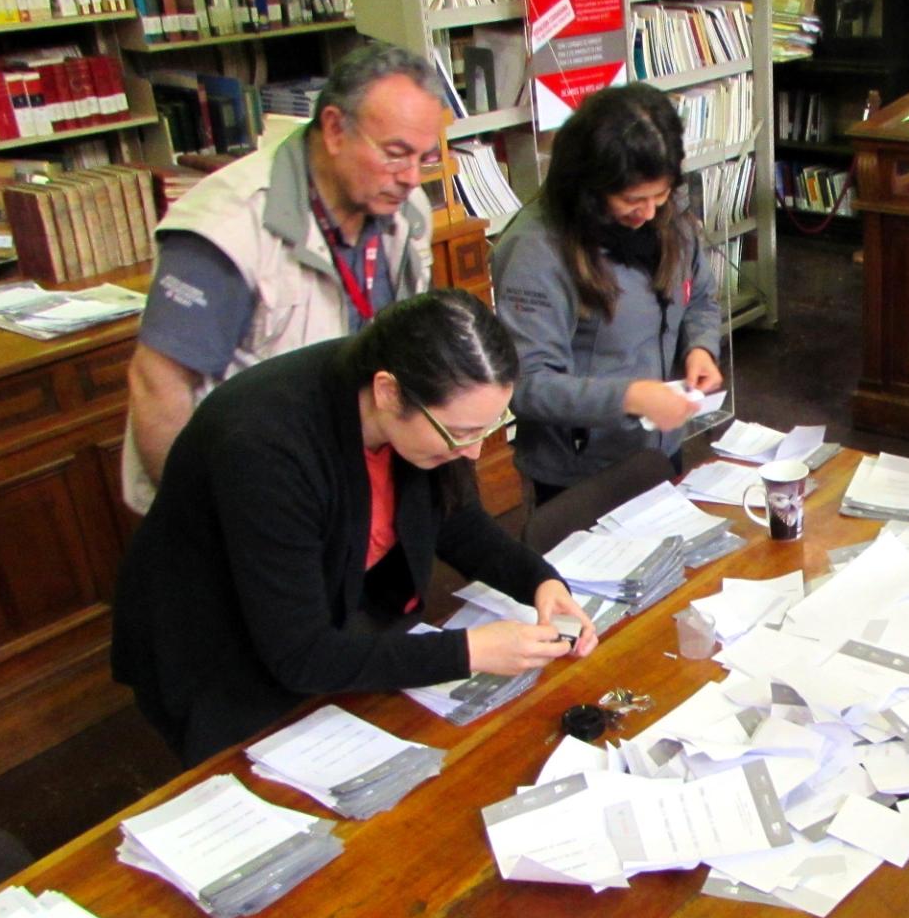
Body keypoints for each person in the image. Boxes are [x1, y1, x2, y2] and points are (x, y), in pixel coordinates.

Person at [112, 290, 599, 765]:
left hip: (310, 624)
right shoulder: (265, 448)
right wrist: (469, 651)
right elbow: (301, 654)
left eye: (487, 428)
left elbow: (456, 519)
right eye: (462, 433)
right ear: (389, 391)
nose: (474, 452)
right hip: (215, 650)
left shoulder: (416, 402)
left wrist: (538, 580)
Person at [121, 41, 452, 513]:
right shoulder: (225, 228)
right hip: (244, 491)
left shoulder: (405, 210)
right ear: (335, 129)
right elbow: (158, 385)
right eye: (397, 154)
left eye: (424, 157)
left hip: (337, 479)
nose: (412, 178)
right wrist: (202, 515)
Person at [493, 83, 724, 510]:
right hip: (578, 471)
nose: (649, 213)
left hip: (658, 448)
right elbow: (525, 384)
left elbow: (700, 298)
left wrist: (701, 348)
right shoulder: (537, 249)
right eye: (632, 200)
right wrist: (631, 397)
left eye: (660, 195)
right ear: (590, 185)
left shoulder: (669, 218)